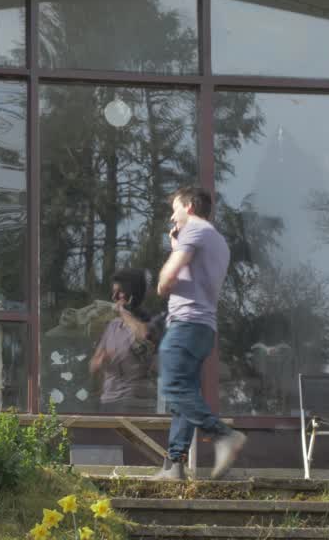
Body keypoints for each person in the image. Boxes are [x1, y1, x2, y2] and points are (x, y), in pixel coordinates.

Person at [153, 185, 245, 480]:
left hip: (185, 324)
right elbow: (195, 276)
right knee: (185, 393)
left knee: (172, 387)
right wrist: (175, 246)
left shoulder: (194, 230)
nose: (172, 217)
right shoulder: (218, 241)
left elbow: (167, 279)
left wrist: (167, 269)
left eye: (175, 209)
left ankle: (223, 435)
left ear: (190, 207)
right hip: (204, 327)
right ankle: (175, 463)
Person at [89, 268, 158, 414]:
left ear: (133, 293)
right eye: (113, 292)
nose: (114, 297)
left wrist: (123, 312)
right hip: (109, 400)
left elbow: (144, 336)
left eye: (119, 291)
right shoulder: (113, 326)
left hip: (135, 403)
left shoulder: (148, 324)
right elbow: (94, 364)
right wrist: (99, 362)